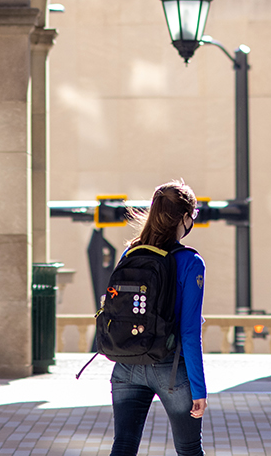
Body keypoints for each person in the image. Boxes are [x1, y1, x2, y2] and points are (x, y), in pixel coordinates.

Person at [109, 180, 207, 456]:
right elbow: (189, 332)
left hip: (126, 364)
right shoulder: (190, 262)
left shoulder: (132, 253)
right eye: (194, 215)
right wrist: (199, 388)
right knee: (189, 449)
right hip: (171, 367)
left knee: (124, 446)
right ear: (186, 217)